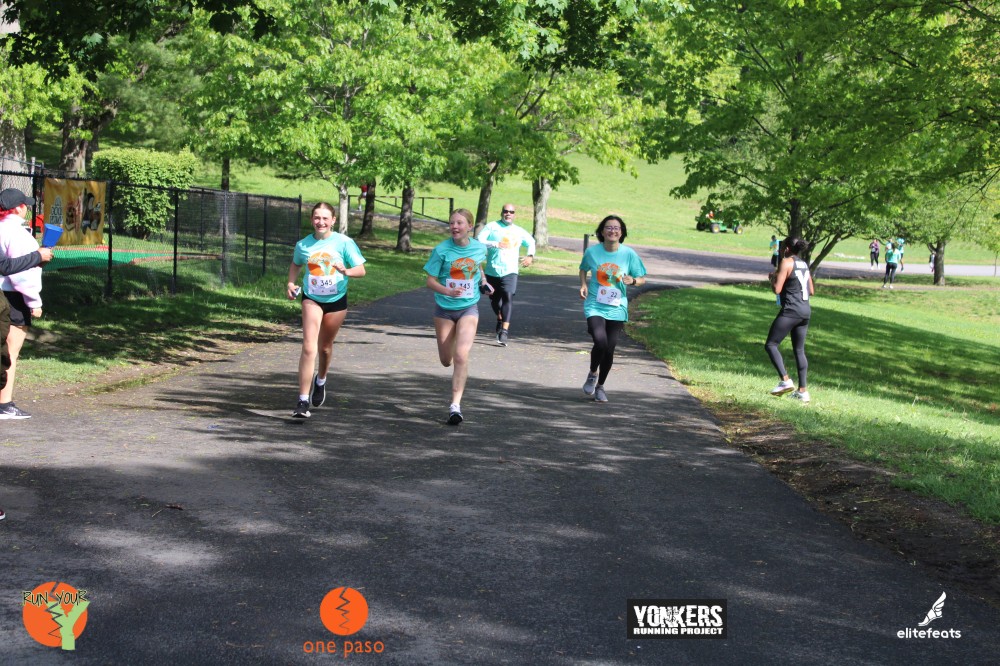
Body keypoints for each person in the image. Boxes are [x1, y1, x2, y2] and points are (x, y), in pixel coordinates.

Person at [286, 202, 367, 418]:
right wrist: (291, 283)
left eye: (325, 218)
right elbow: (296, 264)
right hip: (311, 298)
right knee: (309, 347)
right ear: (311, 220)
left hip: (336, 300)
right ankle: (302, 401)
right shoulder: (303, 245)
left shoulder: (344, 243)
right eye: (316, 218)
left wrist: (346, 271)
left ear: (333, 221)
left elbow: (361, 270)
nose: (320, 222)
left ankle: (321, 380)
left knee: (324, 348)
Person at [424, 208, 491, 425]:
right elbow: (430, 281)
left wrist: (483, 282)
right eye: (452, 222)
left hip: (468, 308)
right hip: (444, 309)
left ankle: (455, 406)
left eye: (459, 223)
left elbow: (478, 267)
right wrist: (448, 291)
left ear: (469, 226)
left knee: (461, 355)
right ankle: (453, 350)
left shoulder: (479, 248)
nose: (454, 226)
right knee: (446, 360)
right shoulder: (441, 250)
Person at [578, 215, 647, 403]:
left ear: (621, 232)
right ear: (602, 231)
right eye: (608, 227)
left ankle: (600, 386)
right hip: (595, 305)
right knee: (600, 341)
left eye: (616, 228)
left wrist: (633, 280)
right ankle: (593, 373)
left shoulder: (628, 254)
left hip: (617, 307)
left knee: (609, 348)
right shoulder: (592, 252)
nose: (612, 231)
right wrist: (583, 284)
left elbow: (642, 278)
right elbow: (583, 268)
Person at [0, 189, 49, 419]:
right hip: (13, 297)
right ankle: (4, 403)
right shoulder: (18, 234)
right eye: (25, 205)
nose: (27, 208)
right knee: (10, 351)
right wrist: (34, 302)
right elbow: (23, 276)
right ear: (18, 208)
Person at [476, 203, 535, 346]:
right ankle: (500, 317)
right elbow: (479, 240)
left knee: (508, 297)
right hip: (492, 270)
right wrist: (495, 244)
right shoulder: (492, 227)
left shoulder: (518, 231)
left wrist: (530, 256)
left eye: (511, 212)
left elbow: (531, 242)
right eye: (506, 211)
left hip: (510, 271)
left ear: (514, 214)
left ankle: (504, 331)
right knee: (494, 300)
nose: (508, 214)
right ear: (501, 212)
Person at [765, 236, 814, 403]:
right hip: (805, 311)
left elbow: (777, 289)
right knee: (799, 350)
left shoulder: (786, 262)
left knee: (771, 345)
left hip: (791, 310)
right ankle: (803, 392)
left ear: (786, 249)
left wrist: (773, 278)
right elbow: (811, 290)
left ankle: (785, 381)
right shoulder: (804, 264)